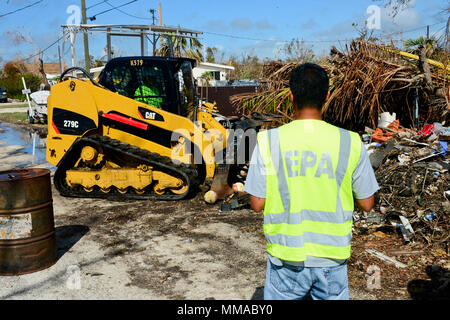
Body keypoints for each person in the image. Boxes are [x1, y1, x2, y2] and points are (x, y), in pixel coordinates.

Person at [244, 63, 379, 300]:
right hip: (332, 258)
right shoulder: (351, 142)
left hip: (286, 257)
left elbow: (256, 203)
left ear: (291, 96)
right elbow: (367, 203)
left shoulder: (267, 141)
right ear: (327, 96)